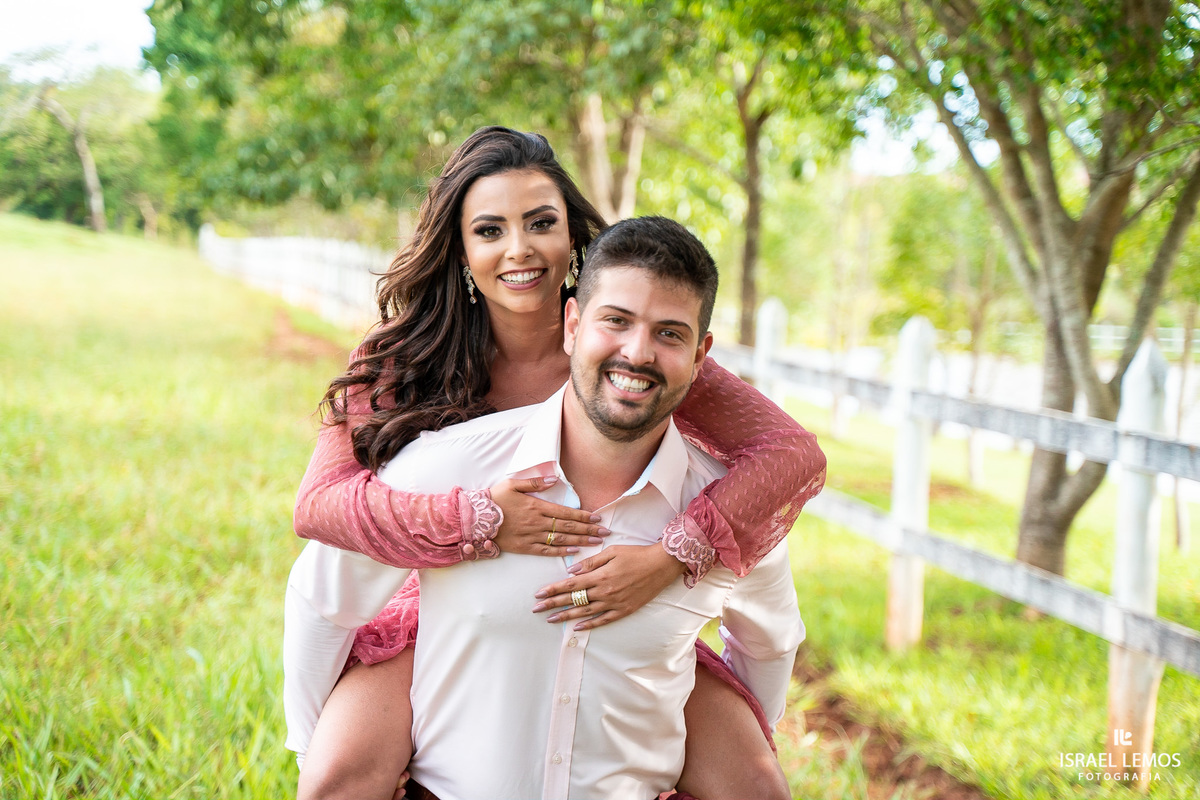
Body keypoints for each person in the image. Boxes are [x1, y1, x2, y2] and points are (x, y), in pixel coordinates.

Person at [287, 127, 826, 797]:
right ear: (461, 250)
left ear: (573, 236)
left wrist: (671, 556)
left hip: (623, 596)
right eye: (490, 230)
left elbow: (792, 455)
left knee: (753, 778)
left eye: (540, 223)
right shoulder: (406, 358)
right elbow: (321, 506)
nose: (520, 249)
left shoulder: (630, 347)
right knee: (336, 772)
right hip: (446, 595)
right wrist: (476, 522)